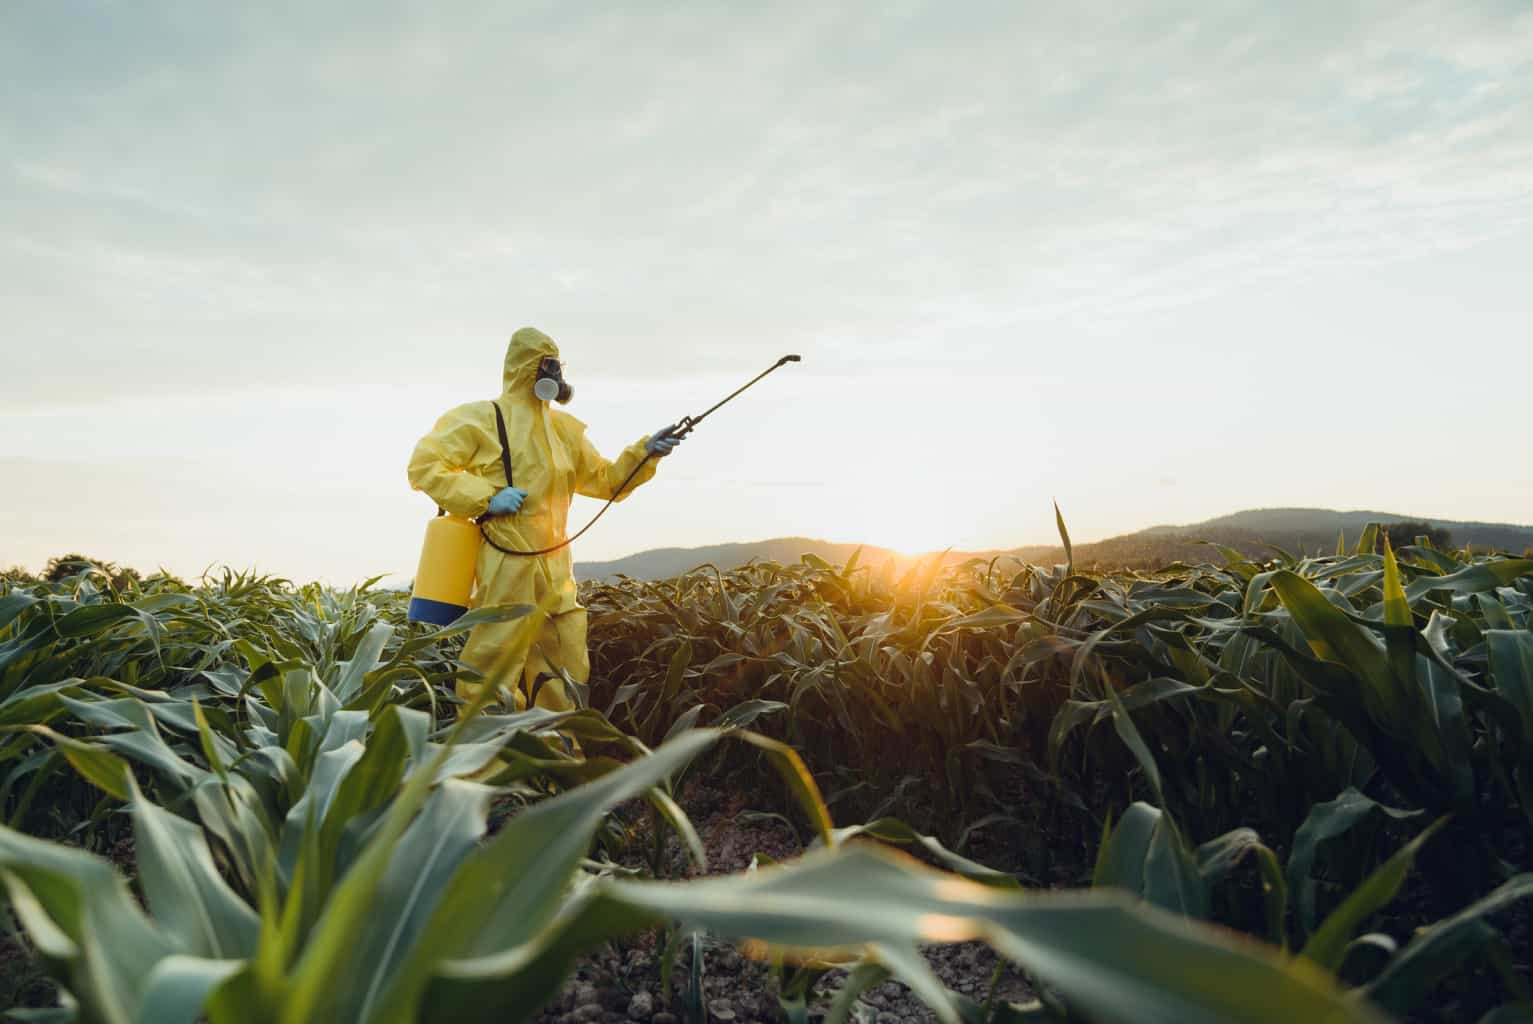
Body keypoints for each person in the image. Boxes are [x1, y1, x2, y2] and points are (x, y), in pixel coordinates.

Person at [407, 327, 680, 711]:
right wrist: (486, 498)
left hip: (556, 568)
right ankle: (489, 758)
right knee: (492, 666)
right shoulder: (482, 418)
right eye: (547, 366)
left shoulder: (565, 430)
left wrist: (645, 453)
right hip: (506, 561)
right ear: (525, 368)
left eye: (557, 367)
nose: (554, 376)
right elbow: (424, 465)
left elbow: (605, 481)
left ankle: (556, 759)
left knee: (564, 667)